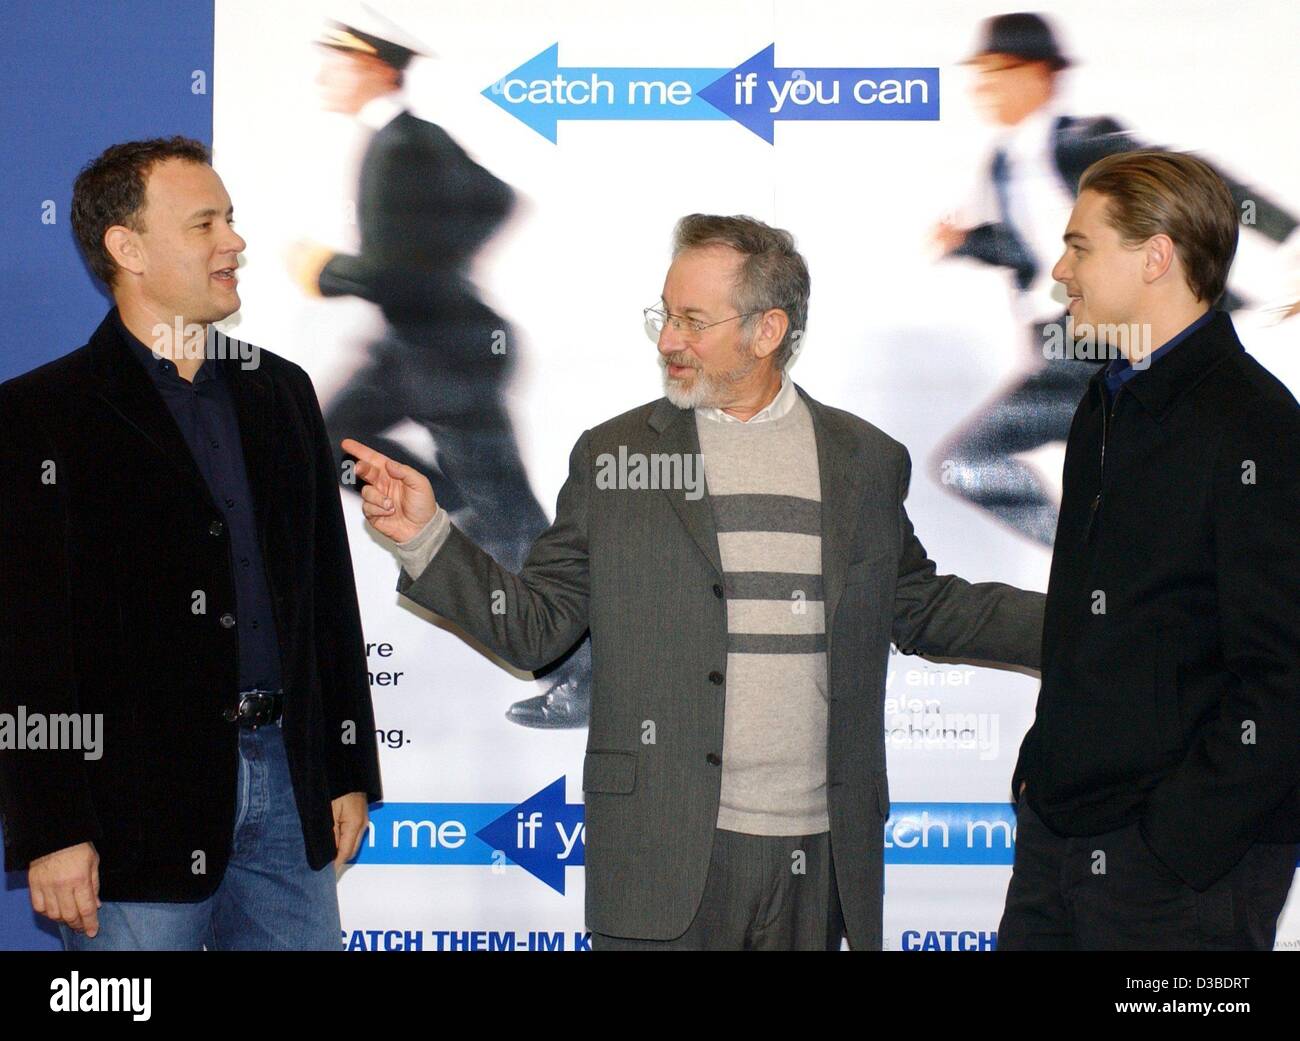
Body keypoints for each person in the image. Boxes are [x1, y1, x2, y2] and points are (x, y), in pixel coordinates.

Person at [344, 214, 1044, 950]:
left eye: (691, 321)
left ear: (767, 330)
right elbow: (537, 626)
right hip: (664, 857)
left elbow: (925, 606)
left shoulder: (864, 460)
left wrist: (1094, 621)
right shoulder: (614, 458)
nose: (667, 340)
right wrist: (427, 536)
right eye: (664, 314)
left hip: (821, 859)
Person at [0, 136, 382, 950]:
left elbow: (326, 597)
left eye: (231, 219)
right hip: (129, 815)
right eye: (204, 223)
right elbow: (25, 640)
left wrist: (346, 768)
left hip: (291, 790)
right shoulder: (39, 414)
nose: (233, 242)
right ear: (126, 247)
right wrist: (51, 826)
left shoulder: (282, 392)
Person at [1000, 150, 1300, 950]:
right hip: (1057, 839)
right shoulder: (1104, 401)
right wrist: (1043, 765)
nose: (1060, 269)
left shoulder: (1258, 427)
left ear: (1157, 255)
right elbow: (1090, 622)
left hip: (1178, 875)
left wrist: (1173, 842)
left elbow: (1285, 675)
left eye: (1081, 245)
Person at [286, 12, 592, 728]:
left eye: (340, 61)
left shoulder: (401, 145)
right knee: (320, 436)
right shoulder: (405, 138)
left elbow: (393, 268)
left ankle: (588, 674)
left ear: (376, 66)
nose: (326, 74)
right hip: (415, 347)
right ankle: (456, 505)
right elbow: (494, 201)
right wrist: (439, 264)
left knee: (517, 526)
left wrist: (324, 270)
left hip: (449, 353)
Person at [931, 11, 1299, 546]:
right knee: (971, 464)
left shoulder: (1085, 140)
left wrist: (1288, 236)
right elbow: (1032, 253)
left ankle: (1103, 558)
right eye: (980, 75)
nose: (984, 88)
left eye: (997, 72)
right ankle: (1095, 555)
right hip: (1061, 348)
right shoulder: (1003, 165)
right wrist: (967, 243)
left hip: (1107, 345)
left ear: (1039, 74)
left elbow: (1200, 182)